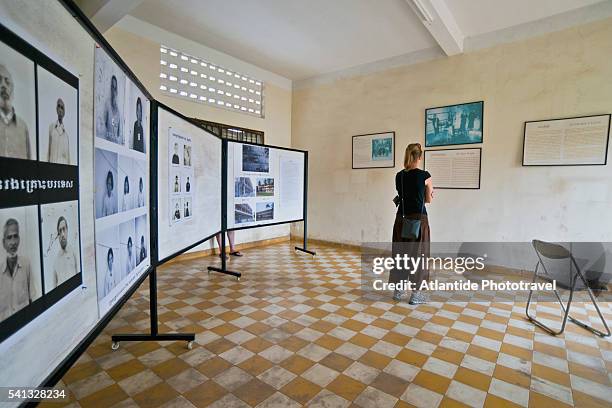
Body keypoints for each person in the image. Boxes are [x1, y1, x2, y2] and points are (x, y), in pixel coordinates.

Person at [389, 143, 433, 305]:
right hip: (418, 221)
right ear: (419, 157)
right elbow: (428, 199)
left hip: (401, 219)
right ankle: (416, 295)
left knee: (400, 254)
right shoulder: (425, 176)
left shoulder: (399, 176)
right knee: (419, 256)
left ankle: (399, 291)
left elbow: (402, 195)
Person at [0, 218, 36, 321]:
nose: (13, 242)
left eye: (15, 236)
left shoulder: (26, 265)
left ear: (19, 239)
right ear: (3, 242)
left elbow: (33, 297)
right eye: (9, 238)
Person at [0, 65, 31, 160]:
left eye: (7, 82)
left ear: (12, 89)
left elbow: (30, 167)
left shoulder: (23, 127)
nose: (3, 86)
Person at [52, 216, 78, 287]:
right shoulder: (56, 260)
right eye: (60, 231)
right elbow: (54, 287)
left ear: (67, 230)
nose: (62, 234)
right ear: (58, 235)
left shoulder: (74, 253)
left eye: (64, 229)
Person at [47, 98, 70, 164]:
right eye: (59, 106)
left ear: (64, 112)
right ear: (56, 109)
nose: (60, 110)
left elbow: (68, 159)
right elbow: (48, 152)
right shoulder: (51, 128)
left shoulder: (66, 136)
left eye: (62, 108)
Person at [104, 75, 122, 143]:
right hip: (107, 144)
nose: (113, 90)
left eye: (115, 88)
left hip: (115, 146)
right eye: (112, 87)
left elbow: (118, 133)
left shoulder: (118, 111)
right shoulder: (107, 104)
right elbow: (104, 125)